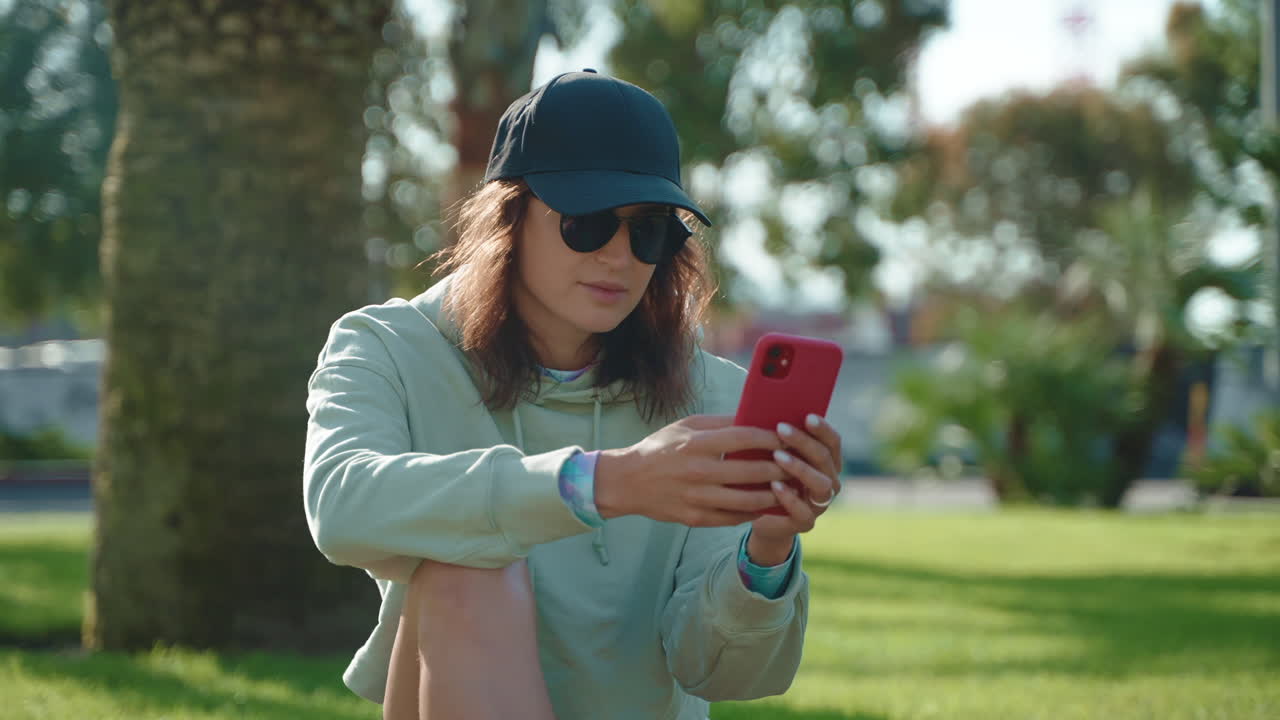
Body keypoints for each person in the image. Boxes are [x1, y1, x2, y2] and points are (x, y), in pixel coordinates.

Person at [303, 69, 843, 720]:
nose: (619, 256)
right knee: (467, 567)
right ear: (509, 215)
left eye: (649, 232)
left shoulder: (712, 398)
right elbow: (342, 504)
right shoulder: (387, 346)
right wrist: (604, 484)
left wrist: (767, 552)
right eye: (587, 222)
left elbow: (720, 672)